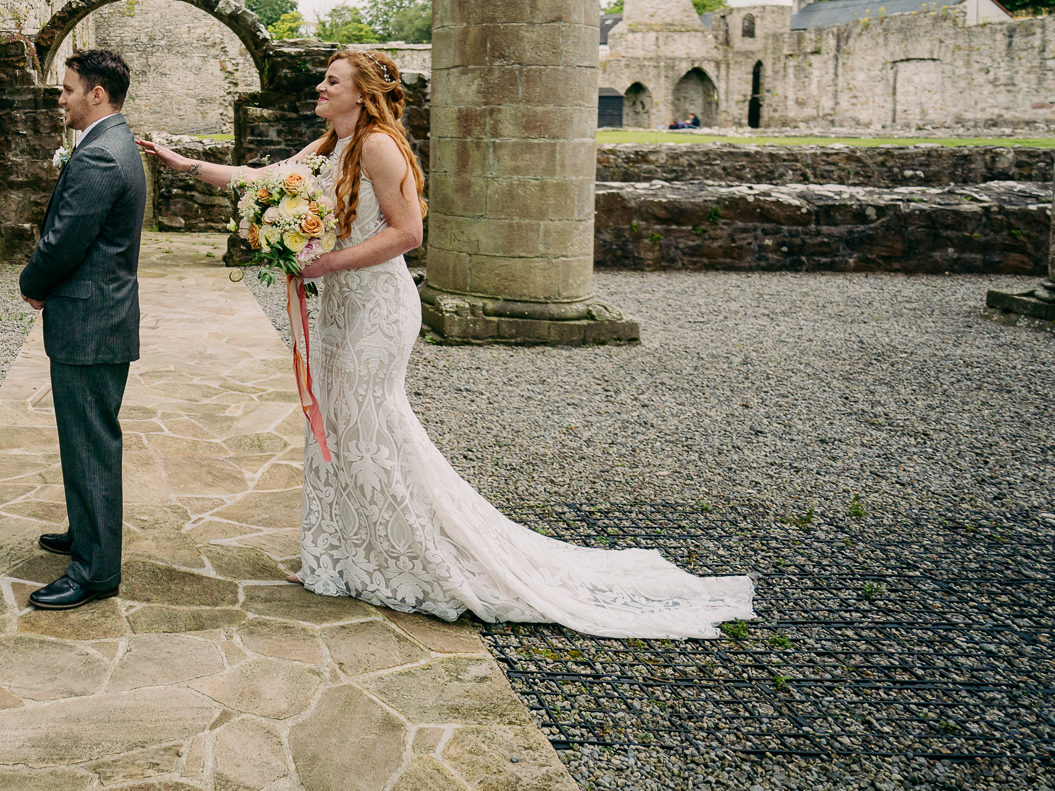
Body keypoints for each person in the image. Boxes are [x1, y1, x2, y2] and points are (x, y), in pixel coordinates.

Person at [139, 49, 753, 639]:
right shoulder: (332, 143)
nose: (321, 89)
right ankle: (342, 558)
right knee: (337, 426)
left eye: (332, 81)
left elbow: (407, 234)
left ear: (363, 93)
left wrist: (323, 266)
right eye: (323, 80)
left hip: (377, 308)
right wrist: (179, 163)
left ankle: (410, 558)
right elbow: (262, 177)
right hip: (341, 309)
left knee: (370, 426)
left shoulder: (379, 146)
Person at [18, 49, 147, 611]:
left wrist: (33, 281)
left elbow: (65, 239)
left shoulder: (100, 157)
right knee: (83, 437)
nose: (62, 99)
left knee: (91, 441)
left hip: (90, 319)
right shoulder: (115, 142)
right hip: (98, 315)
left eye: (69, 89)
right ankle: (85, 530)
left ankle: (95, 570)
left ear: (98, 93)